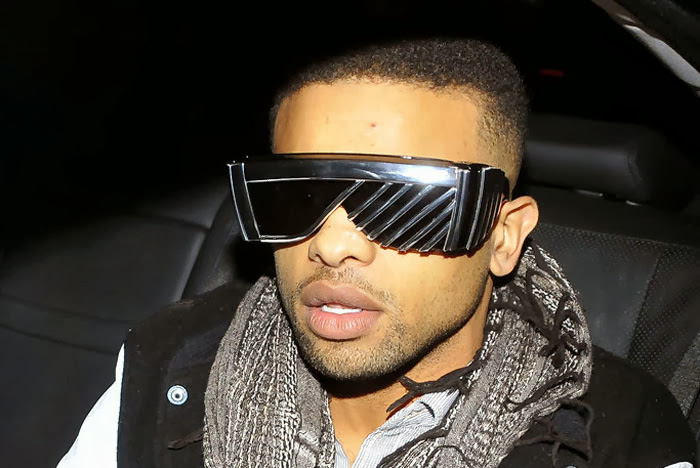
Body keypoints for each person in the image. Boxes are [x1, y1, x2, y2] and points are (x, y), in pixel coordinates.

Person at [57, 38, 695, 468]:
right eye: (295, 198)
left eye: (404, 205)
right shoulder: (172, 362)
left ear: (502, 237)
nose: (331, 245)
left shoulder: (620, 437)